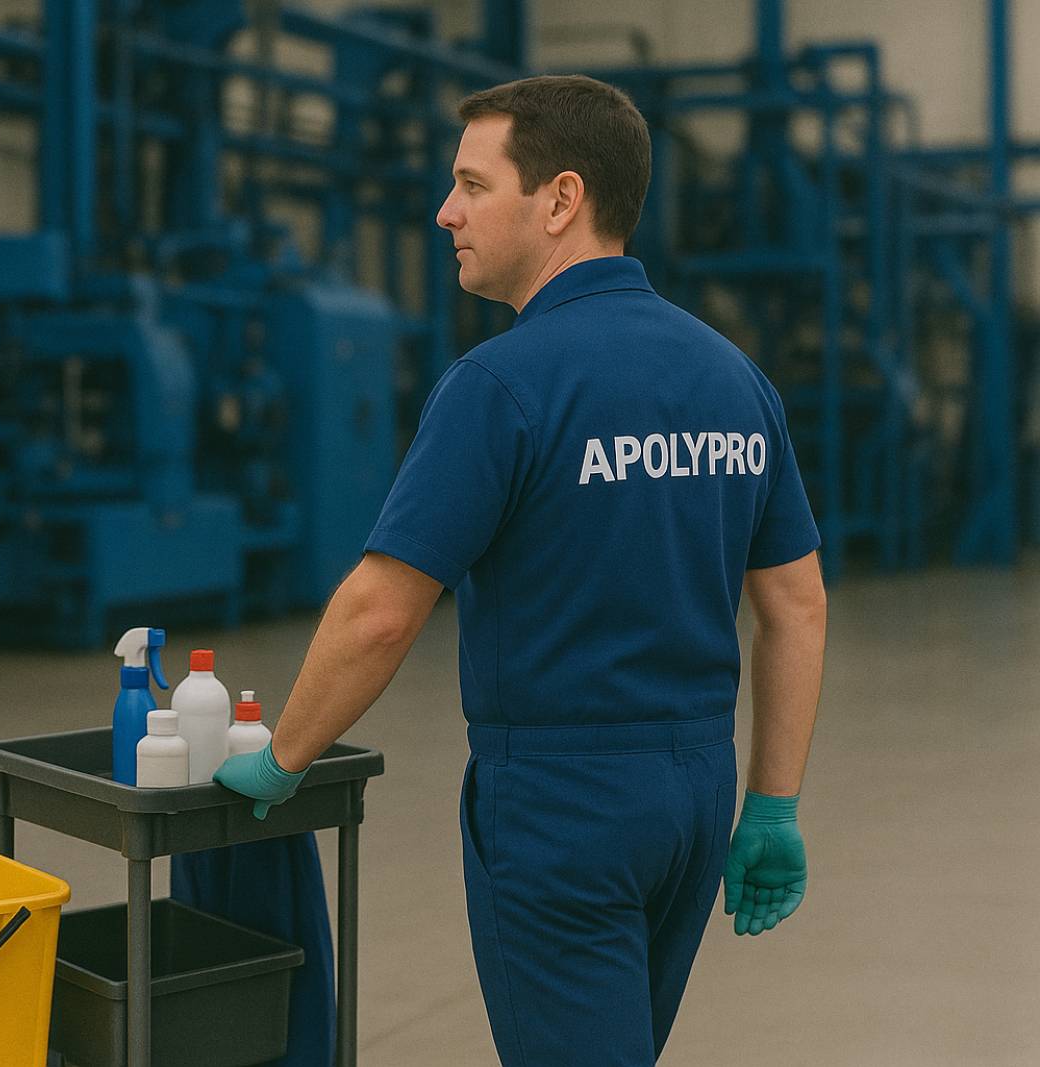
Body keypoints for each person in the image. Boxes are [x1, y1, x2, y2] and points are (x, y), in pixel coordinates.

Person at [213, 74, 828, 1065]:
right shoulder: (733, 376)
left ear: (559, 200)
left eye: (470, 183)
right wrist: (772, 805)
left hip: (560, 805)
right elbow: (795, 605)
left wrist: (282, 757)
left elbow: (380, 611)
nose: (444, 210)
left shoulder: (499, 385)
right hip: (693, 795)